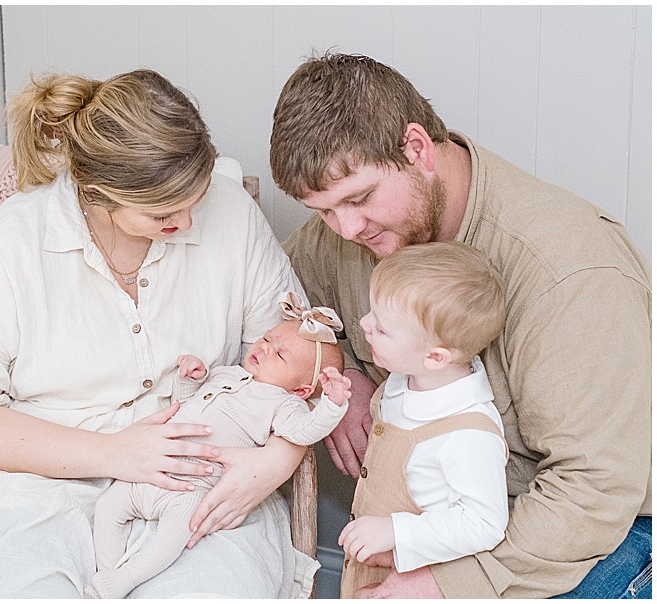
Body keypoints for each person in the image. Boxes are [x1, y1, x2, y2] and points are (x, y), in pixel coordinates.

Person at [0, 69, 315, 598]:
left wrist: (274, 461)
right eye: (164, 214)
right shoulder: (17, 240)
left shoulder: (232, 215)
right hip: (20, 477)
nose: (190, 224)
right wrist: (115, 453)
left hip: (193, 480)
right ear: (99, 195)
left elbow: (300, 362)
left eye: (194, 201)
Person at [273, 52, 652, 598]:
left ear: (417, 148)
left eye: (359, 199)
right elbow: (280, 299)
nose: (347, 227)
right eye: (325, 210)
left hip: (583, 535)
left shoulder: (569, 272)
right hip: (435, 525)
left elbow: (594, 488)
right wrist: (336, 366)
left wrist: (445, 583)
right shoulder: (348, 233)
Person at [87, 295, 351, 599]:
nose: (264, 348)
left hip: (191, 489)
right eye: (267, 338)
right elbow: (182, 405)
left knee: (182, 527)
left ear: (302, 390)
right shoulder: (227, 373)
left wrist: (331, 406)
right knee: (110, 505)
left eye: (280, 355)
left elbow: (305, 433)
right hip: (153, 469)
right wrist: (190, 378)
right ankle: (108, 573)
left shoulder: (285, 405)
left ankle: (127, 578)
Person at [335, 242, 509, 597]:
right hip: (371, 560)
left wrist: (397, 533)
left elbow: (484, 524)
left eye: (381, 329)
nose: (364, 325)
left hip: (416, 577)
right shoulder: (405, 378)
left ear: (434, 357)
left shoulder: (467, 433)